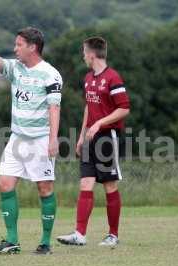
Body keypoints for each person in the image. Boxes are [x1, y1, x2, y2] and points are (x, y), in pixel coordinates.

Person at [0, 27, 62, 255]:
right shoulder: (16, 68)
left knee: (44, 188)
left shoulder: (50, 74)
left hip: (40, 140)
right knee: (4, 184)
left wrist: (53, 140)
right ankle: (12, 241)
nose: (15, 48)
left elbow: (54, 107)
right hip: (17, 139)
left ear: (32, 47)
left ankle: (45, 242)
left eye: (19, 44)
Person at [56, 36, 130, 248]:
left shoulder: (113, 77)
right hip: (90, 138)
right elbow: (89, 107)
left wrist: (100, 125)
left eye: (84, 52)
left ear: (91, 54)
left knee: (109, 185)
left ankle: (113, 235)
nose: (83, 56)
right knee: (85, 183)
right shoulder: (88, 78)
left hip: (108, 138)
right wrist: (82, 135)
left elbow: (124, 108)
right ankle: (79, 234)